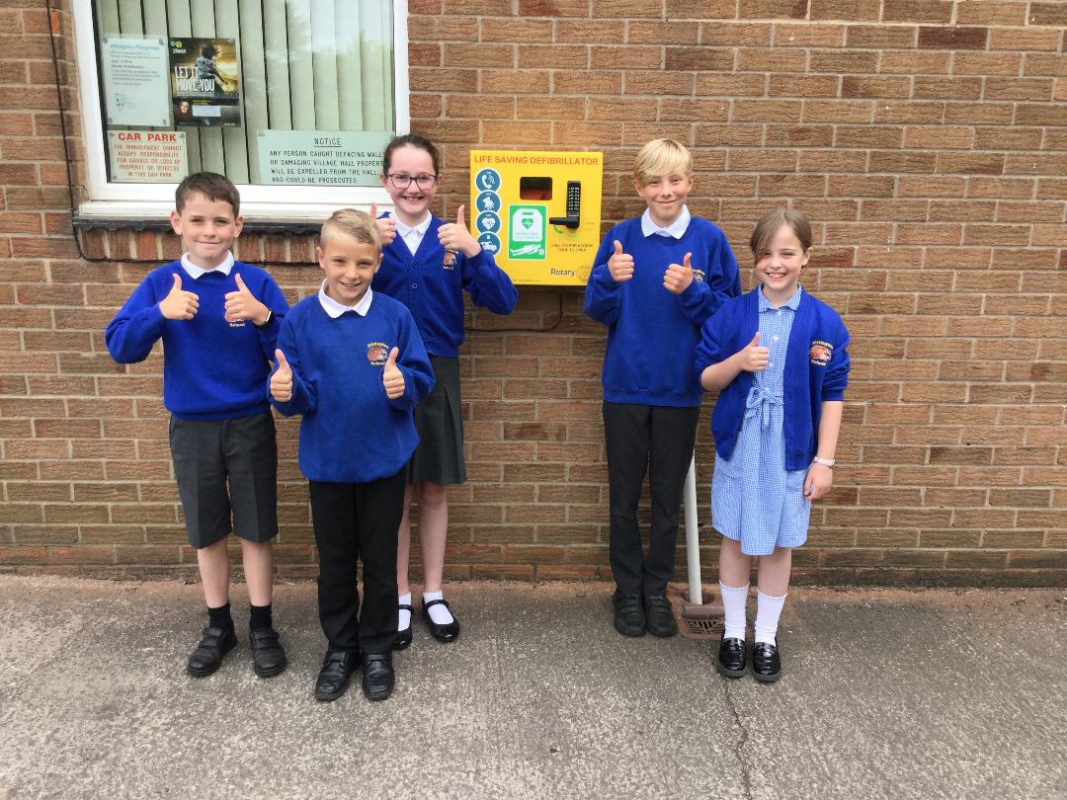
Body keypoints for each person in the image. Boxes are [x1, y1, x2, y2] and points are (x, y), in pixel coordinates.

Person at [105, 172, 289, 679]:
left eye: (220, 221)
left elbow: (291, 350)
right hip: (191, 426)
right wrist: (159, 315)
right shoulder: (162, 283)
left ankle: (261, 624)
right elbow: (121, 345)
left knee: (255, 529)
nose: (209, 231)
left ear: (238, 226)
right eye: (197, 220)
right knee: (207, 532)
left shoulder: (256, 283)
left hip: (249, 422)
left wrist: (262, 317)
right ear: (177, 222)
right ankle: (217, 625)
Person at [270, 209, 434, 702]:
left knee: (382, 561)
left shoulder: (395, 316)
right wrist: (283, 391)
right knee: (336, 563)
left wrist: (404, 384)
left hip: (384, 460)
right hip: (329, 463)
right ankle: (341, 647)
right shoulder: (299, 320)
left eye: (363, 263)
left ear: (378, 263)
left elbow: (422, 378)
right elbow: (295, 394)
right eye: (339, 261)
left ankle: (378, 647)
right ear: (319, 257)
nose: (350, 273)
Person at [583, 138, 741, 638]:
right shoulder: (622, 237)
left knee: (668, 500)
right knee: (624, 498)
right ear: (638, 186)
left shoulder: (710, 240)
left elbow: (729, 319)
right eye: (654, 181)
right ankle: (627, 591)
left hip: (680, 389)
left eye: (675, 180)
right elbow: (596, 309)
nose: (665, 190)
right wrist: (609, 279)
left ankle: (656, 590)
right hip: (625, 388)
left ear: (690, 182)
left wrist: (692, 291)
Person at [372, 134, 518, 649]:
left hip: (437, 372)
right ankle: (398, 595)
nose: (413, 187)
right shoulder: (373, 238)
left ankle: (433, 591)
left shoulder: (453, 238)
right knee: (392, 491)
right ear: (385, 181)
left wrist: (476, 252)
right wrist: (370, 246)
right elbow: (337, 295)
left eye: (424, 177)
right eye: (402, 177)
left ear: (437, 181)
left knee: (432, 488)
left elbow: (502, 301)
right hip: (381, 375)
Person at [696, 208, 850, 682]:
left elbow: (832, 393)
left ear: (806, 256)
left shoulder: (823, 321)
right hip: (742, 444)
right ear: (754, 260)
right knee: (737, 537)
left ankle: (765, 634)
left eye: (787, 253)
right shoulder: (733, 313)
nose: (776, 263)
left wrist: (823, 461)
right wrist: (739, 361)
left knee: (781, 542)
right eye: (766, 254)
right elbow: (705, 377)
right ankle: (733, 632)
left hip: (792, 448)